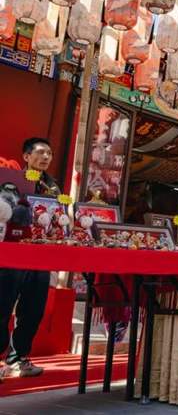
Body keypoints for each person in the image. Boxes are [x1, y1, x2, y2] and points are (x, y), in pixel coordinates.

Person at [0, 138, 60, 382]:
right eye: (40, 152)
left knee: (33, 310)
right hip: (13, 253)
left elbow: (57, 216)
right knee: (2, 307)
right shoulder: (10, 181)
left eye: (49, 153)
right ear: (26, 156)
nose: (46, 157)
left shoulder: (53, 187)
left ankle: (18, 358)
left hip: (40, 255)